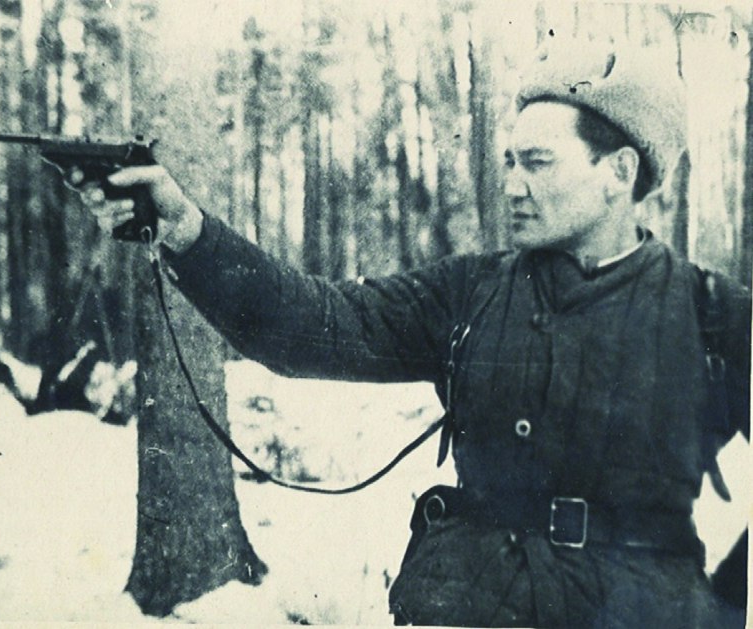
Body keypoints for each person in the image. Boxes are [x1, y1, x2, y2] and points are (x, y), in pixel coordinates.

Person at [73, 42, 750, 628]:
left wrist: (722, 605)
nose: (511, 185)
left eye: (537, 162)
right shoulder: (472, 292)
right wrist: (189, 232)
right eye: (509, 162)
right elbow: (312, 324)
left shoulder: (714, 316)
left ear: (620, 173)